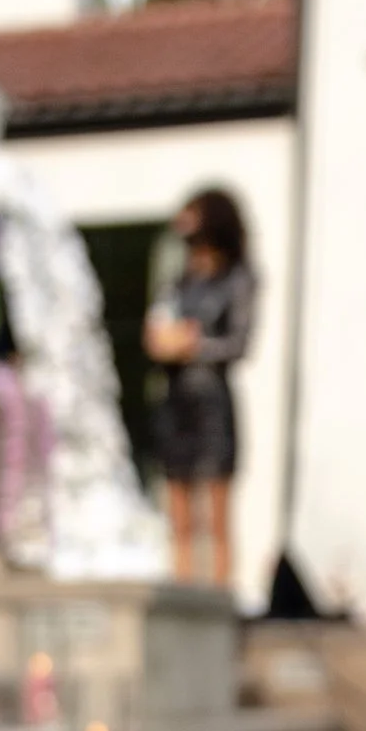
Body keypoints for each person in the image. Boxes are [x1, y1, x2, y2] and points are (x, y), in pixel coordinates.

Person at [144, 189, 255, 587]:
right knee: (180, 510)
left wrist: (194, 345)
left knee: (215, 511)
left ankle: (218, 594)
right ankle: (184, 586)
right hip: (176, 402)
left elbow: (239, 343)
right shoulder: (179, 281)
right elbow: (157, 329)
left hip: (211, 400)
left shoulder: (238, 279)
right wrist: (164, 342)